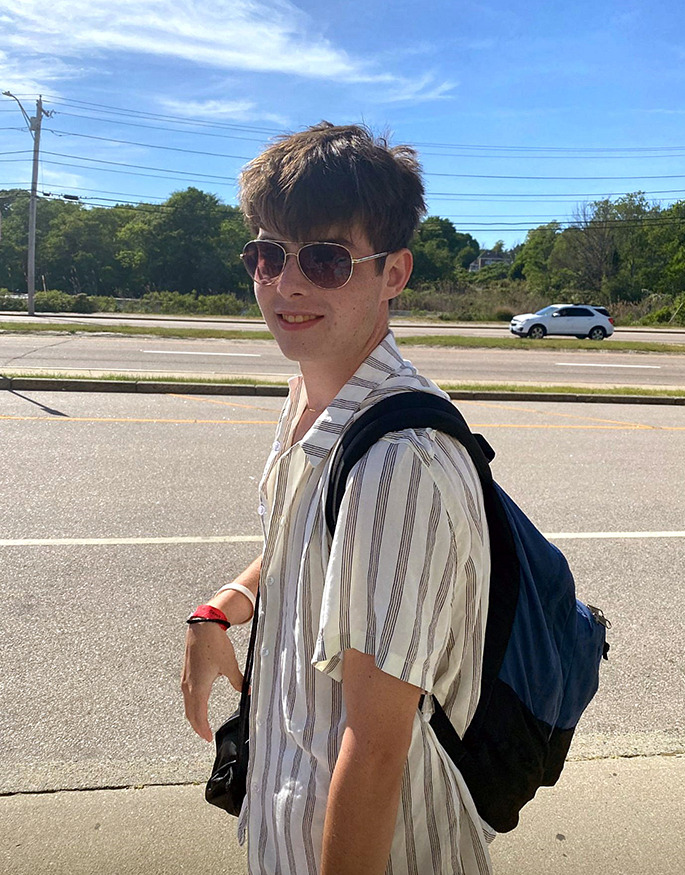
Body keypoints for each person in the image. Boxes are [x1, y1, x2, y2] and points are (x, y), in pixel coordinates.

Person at [181, 122, 493, 875]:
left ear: (394, 273)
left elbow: (378, 746)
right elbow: (308, 541)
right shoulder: (313, 395)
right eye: (267, 254)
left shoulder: (398, 459)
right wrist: (221, 607)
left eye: (323, 259)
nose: (286, 283)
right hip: (284, 824)